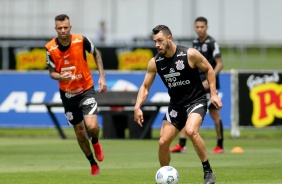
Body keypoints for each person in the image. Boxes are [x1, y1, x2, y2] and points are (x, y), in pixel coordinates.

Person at [134, 25, 222, 184]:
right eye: (155, 41)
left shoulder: (189, 54)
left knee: (190, 131)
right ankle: (165, 176)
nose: (157, 45)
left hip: (196, 100)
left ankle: (208, 171)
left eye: (160, 41)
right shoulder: (155, 62)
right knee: (163, 142)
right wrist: (137, 106)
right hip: (176, 106)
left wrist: (214, 94)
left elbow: (209, 69)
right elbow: (145, 87)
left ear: (169, 38)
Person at [45, 14, 107, 176]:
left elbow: (97, 53)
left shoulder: (81, 40)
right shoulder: (50, 48)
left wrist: (101, 77)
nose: (63, 30)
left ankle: (95, 142)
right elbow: (51, 72)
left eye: (66, 27)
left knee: (92, 126)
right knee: (80, 133)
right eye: (60, 28)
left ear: (70, 27)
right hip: (68, 95)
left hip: (86, 89)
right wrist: (60, 76)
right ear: (56, 29)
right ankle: (92, 163)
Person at [170, 16, 224, 154]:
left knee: (214, 114)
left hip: (209, 84)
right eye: (197, 27)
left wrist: (209, 81)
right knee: (186, 111)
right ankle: (182, 145)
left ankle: (220, 145)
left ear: (207, 28)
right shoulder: (194, 43)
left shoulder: (212, 43)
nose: (200, 29)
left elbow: (219, 64)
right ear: (195, 28)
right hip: (196, 85)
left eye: (202, 27)